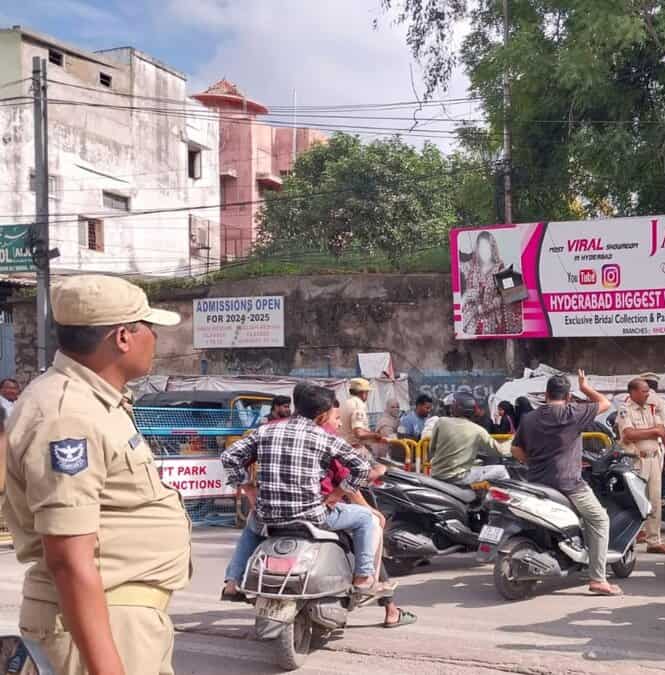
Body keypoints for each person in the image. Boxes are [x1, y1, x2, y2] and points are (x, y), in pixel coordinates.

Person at [3, 274, 190, 675]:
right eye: (148, 327)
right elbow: (69, 559)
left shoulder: (94, 401)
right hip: (102, 619)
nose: (155, 337)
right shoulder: (67, 414)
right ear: (122, 337)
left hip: (123, 616)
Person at [222, 384, 384, 594]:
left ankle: (233, 581)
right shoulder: (324, 437)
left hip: (267, 516)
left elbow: (229, 456)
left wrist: (249, 489)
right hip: (312, 516)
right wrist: (336, 495)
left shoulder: (265, 430)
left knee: (252, 524)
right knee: (366, 518)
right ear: (322, 415)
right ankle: (363, 577)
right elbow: (361, 468)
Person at [511, 371, 621, 595]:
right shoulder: (573, 413)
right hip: (568, 484)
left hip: (536, 483)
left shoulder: (529, 418)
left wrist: (532, 462)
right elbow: (605, 403)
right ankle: (598, 579)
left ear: (545, 394)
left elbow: (515, 450)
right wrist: (585, 387)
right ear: (569, 396)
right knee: (600, 520)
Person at [616, 378, 665, 554]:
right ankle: (631, 538)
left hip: (654, 458)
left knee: (655, 500)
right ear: (633, 392)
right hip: (637, 460)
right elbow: (628, 434)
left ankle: (654, 541)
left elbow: (662, 431)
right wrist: (653, 431)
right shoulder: (625, 409)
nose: (648, 394)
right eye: (644, 391)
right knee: (636, 500)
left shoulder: (652, 407)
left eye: (648, 391)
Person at [428, 391, 509, 484]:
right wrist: (512, 442)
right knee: (501, 470)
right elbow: (499, 451)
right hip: (458, 478)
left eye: (450, 406)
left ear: (455, 408)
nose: (449, 409)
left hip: (436, 474)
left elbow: (432, 449)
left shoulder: (441, 422)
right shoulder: (478, 430)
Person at [460, 230, 523, 335]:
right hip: (471, 324)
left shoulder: (501, 269)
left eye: (487, 247)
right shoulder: (470, 268)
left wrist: (492, 304)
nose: (484, 251)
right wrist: (467, 297)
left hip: (495, 325)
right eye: (481, 247)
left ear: (492, 248)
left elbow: (516, 296)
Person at [341, 378, 384, 455]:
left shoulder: (345, 403)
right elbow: (359, 433)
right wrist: (376, 435)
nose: (367, 395)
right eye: (367, 392)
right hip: (355, 449)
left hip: (344, 448)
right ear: (363, 393)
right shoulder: (358, 405)